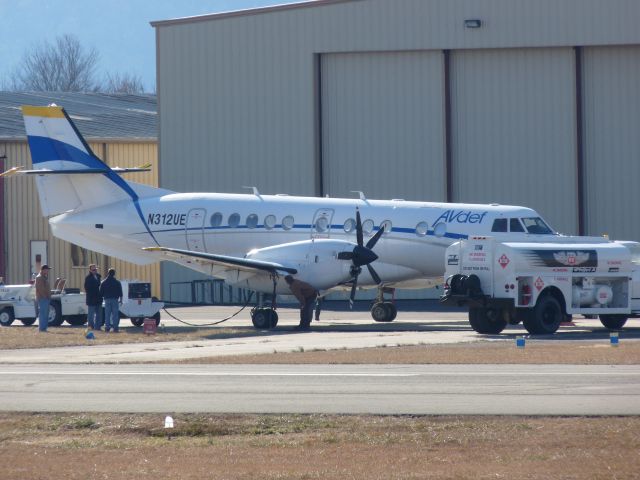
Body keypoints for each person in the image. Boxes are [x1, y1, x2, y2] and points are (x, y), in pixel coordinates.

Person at [99, 268, 123, 332]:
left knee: (107, 314)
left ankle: (107, 327)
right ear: (114, 274)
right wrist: (121, 300)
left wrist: (102, 298)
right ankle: (115, 327)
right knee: (115, 314)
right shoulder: (117, 282)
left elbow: (101, 292)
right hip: (115, 300)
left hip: (107, 300)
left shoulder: (104, 282)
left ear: (108, 273)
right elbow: (120, 292)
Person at [84, 264, 102, 330]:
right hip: (91, 299)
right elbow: (86, 288)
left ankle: (98, 327)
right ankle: (90, 327)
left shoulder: (98, 276)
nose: (95, 271)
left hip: (98, 298)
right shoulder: (88, 278)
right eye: (93, 270)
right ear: (90, 270)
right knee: (91, 315)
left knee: (99, 314)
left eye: (96, 269)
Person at [34, 264, 52, 332]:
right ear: (43, 270)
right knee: (43, 314)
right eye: (47, 269)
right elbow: (40, 289)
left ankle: (44, 328)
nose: (48, 271)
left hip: (46, 298)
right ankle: (41, 328)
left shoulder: (44, 277)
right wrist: (46, 297)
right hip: (42, 298)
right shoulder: (39, 277)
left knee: (46, 314)